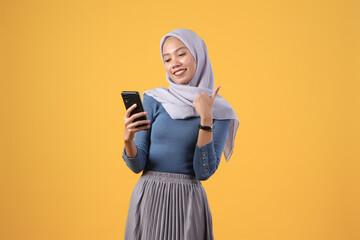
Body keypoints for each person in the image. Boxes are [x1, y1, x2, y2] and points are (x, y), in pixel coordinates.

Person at [122, 28, 239, 240]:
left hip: (188, 203)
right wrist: (128, 140)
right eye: (167, 59)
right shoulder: (154, 99)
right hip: (149, 198)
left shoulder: (219, 111)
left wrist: (206, 119)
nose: (174, 63)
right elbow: (137, 164)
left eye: (181, 54)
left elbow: (203, 172)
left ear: (198, 55)